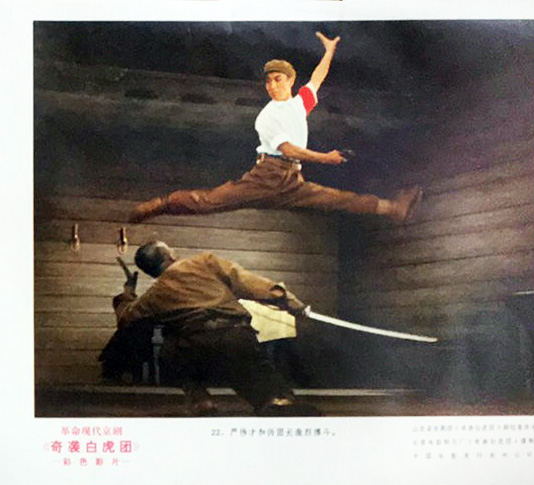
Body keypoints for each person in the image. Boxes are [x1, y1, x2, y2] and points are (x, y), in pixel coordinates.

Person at [128, 32, 422, 224]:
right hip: (266, 177)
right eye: (268, 81)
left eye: (277, 80)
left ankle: (393, 209)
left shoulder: (300, 103)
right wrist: (325, 158)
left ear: (290, 81)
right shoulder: (266, 117)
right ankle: (159, 205)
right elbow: (287, 149)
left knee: (338, 200)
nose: (271, 85)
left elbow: (317, 78)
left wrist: (329, 51)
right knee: (208, 201)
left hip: (292, 181)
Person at [104, 240, 320, 417]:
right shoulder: (204, 262)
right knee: (274, 399)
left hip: (193, 351)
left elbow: (126, 317)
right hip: (234, 338)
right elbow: (249, 282)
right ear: (171, 256)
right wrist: (290, 302)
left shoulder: (153, 296)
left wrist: (128, 292)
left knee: (170, 348)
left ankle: (199, 399)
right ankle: (274, 401)